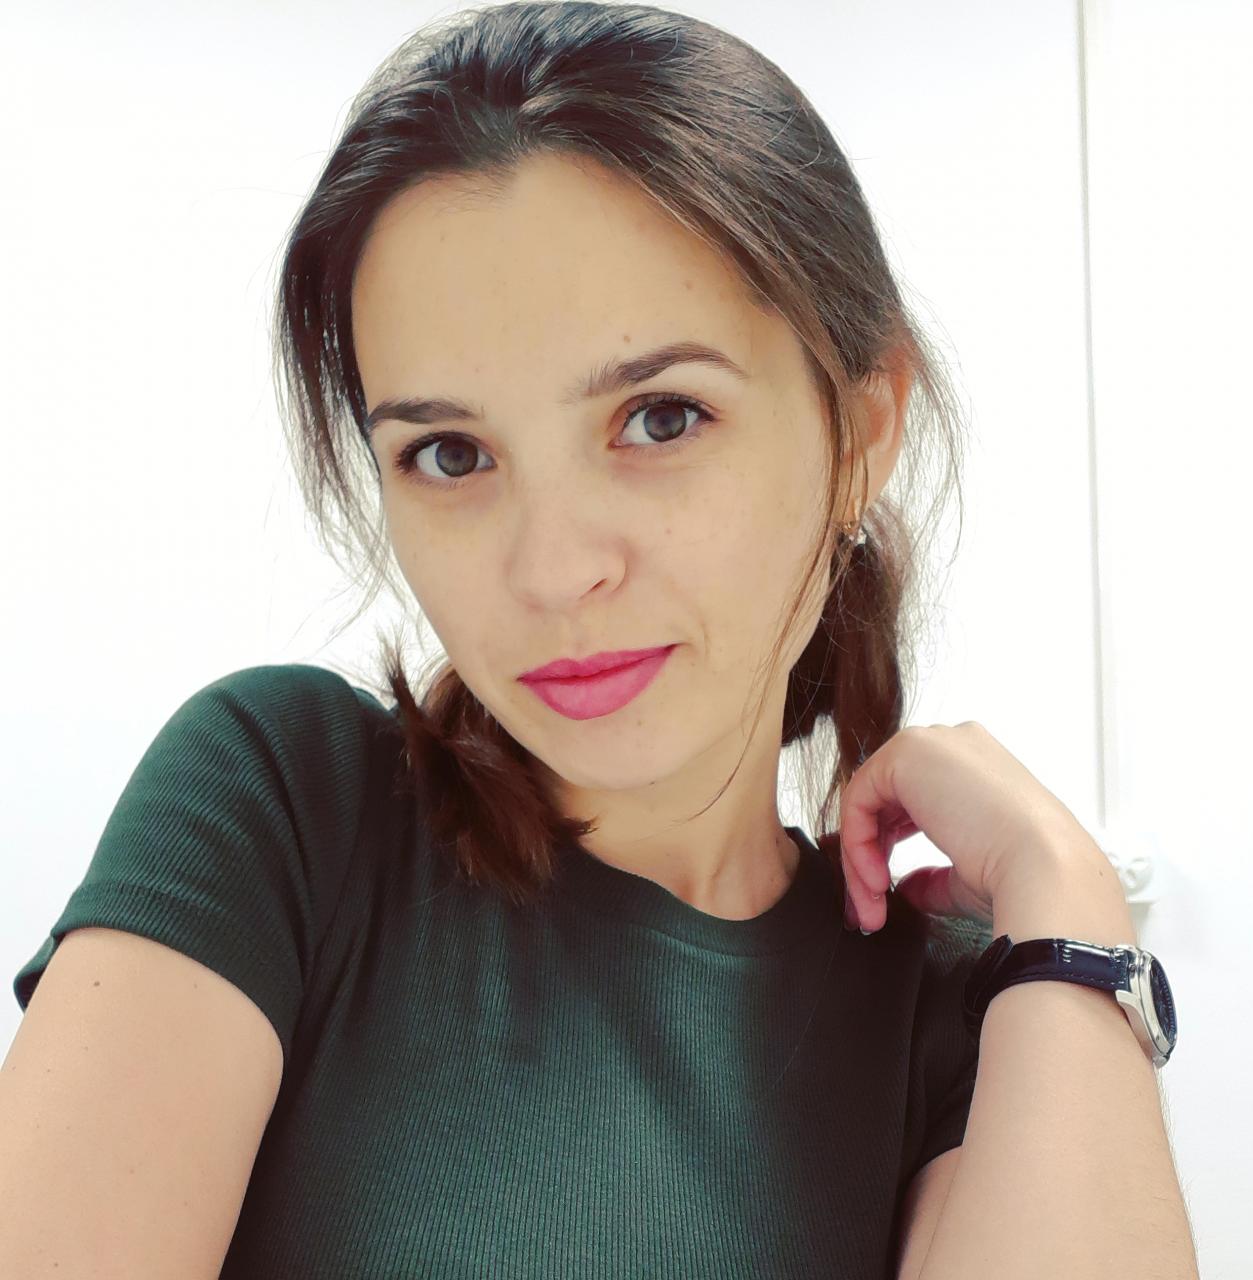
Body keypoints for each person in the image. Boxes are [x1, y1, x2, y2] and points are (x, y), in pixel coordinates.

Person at [10, 4, 988, 1277]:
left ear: (860, 433)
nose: (552, 571)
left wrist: (1077, 921)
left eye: (659, 417)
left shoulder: (957, 1007)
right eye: (449, 453)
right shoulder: (283, 808)